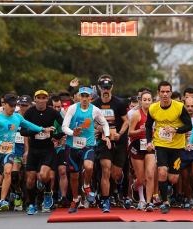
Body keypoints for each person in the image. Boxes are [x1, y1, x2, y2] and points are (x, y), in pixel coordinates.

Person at [0, 93, 53, 214]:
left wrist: (42, 129)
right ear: (4, 105)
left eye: (15, 105)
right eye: (11, 105)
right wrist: (1, 143)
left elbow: (29, 125)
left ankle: (2, 200)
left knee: (8, 172)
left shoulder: (17, 117)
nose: (13, 108)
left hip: (10, 151)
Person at [145, 81, 192, 214]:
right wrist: (149, 141)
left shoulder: (179, 107)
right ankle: (164, 202)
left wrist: (175, 129)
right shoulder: (153, 108)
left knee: (173, 178)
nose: (165, 94)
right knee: (162, 172)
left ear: (171, 93)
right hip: (161, 144)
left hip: (177, 146)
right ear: (158, 93)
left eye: (167, 92)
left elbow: (189, 126)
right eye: (162, 92)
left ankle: (166, 186)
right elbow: (148, 126)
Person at [63, 86, 111, 213]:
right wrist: (73, 132)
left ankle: (86, 185)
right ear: (79, 96)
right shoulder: (73, 109)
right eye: (82, 96)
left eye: (86, 96)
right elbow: (64, 126)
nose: (84, 98)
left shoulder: (95, 110)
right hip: (73, 145)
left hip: (88, 144)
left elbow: (105, 123)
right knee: (74, 176)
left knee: (89, 167)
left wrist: (106, 136)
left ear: (90, 97)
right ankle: (75, 200)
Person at [21, 89, 64, 215]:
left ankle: (47, 192)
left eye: (43, 98)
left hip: (47, 148)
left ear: (47, 100)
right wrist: (40, 130)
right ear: (34, 99)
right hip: (34, 149)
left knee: (44, 176)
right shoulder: (29, 112)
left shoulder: (52, 112)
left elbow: (65, 127)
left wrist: (56, 136)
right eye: (38, 98)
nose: (40, 101)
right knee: (30, 180)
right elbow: (23, 132)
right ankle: (33, 205)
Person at [92, 74, 129, 213]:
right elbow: (91, 123)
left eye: (108, 87)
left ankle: (119, 178)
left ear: (111, 87)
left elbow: (126, 121)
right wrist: (99, 128)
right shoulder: (95, 105)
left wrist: (120, 133)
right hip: (103, 141)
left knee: (115, 175)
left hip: (118, 142)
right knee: (105, 170)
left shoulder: (118, 103)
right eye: (103, 87)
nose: (105, 90)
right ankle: (106, 200)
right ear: (99, 88)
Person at [128, 91, 156, 212]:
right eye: (144, 100)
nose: (147, 102)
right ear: (140, 101)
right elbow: (129, 133)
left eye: (149, 100)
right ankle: (135, 187)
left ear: (152, 101)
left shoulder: (155, 114)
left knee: (150, 174)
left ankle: (149, 203)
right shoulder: (136, 115)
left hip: (150, 145)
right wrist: (139, 130)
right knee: (141, 178)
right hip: (137, 145)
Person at [179, 97, 193, 210]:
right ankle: (190, 199)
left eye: (192, 106)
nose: (190, 108)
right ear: (184, 106)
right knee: (185, 177)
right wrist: (182, 134)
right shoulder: (180, 117)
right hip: (183, 150)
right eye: (188, 106)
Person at [11, 95, 32, 211]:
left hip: (28, 150)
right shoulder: (13, 116)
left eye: (26, 105)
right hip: (15, 150)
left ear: (29, 105)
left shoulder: (31, 117)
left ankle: (28, 201)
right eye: (21, 105)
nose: (23, 108)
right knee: (14, 175)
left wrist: (28, 150)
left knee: (27, 178)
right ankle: (18, 192)